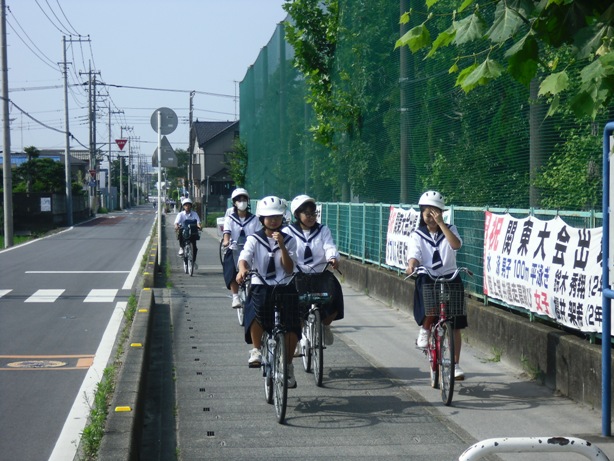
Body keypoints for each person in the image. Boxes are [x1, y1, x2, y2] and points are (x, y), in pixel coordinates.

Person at [236, 196, 300, 388]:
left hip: (284, 285)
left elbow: (289, 268)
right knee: (255, 312)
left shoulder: (290, 240)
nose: (274, 220)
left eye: (277, 217)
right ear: (262, 218)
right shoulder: (254, 239)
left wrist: (282, 246)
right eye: (269, 217)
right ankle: (256, 349)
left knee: (292, 325)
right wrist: (242, 269)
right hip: (261, 283)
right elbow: (244, 257)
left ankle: (288, 365)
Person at [405, 190, 467, 380]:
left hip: (450, 276)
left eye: (435, 213)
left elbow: (456, 245)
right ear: (422, 214)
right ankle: (425, 329)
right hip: (428, 276)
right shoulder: (418, 234)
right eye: (427, 214)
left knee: (455, 323)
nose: (431, 218)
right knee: (430, 307)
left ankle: (455, 365)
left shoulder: (450, 229)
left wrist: (441, 224)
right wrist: (411, 265)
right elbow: (414, 255)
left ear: (441, 213)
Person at [284, 195, 344, 346]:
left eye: (313, 213)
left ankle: (325, 326)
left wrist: (332, 258)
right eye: (307, 213)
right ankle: (296, 339)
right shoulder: (288, 231)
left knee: (335, 295)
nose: (311, 217)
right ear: (297, 214)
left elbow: (329, 246)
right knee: (295, 306)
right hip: (298, 275)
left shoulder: (323, 230)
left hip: (320, 273)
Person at [222, 188, 261, 308]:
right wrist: (226, 241)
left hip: (251, 249)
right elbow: (227, 233)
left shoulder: (255, 219)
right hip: (235, 247)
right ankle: (235, 296)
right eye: (239, 200)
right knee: (230, 267)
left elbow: (259, 234)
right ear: (234, 202)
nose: (242, 202)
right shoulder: (230, 219)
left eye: (244, 199)